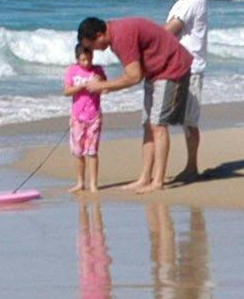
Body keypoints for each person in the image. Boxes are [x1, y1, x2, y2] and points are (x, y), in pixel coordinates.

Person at [76, 13, 195, 190]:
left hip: (171, 68)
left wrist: (103, 86)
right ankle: (145, 177)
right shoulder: (115, 33)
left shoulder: (121, 36)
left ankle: (158, 181)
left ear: (100, 35)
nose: (94, 50)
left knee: (158, 125)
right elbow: (135, 73)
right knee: (148, 125)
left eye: (92, 46)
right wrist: (109, 85)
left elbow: (134, 77)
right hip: (154, 72)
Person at [164, 0, 212, 179]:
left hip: (191, 67)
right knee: (181, 119)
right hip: (177, 65)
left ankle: (192, 166)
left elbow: (170, 30)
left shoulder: (194, 1)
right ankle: (188, 167)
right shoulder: (180, 3)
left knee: (189, 120)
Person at [64, 39, 108, 195]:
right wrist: (81, 86)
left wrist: (100, 84)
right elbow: (66, 91)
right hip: (77, 117)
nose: (87, 62)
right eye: (83, 60)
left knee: (92, 152)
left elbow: (105, 88)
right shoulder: (72, 71)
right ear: (77, 59)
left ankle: (93, 184)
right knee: (78, 152)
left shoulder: (97, 71)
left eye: (89, 59)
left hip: (94, 116)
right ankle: (80, 182)